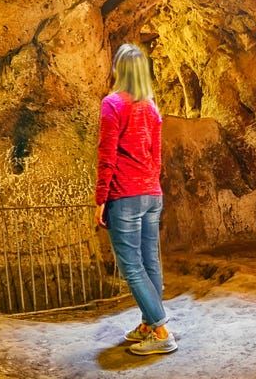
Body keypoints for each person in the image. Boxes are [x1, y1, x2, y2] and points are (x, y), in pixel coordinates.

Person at [95, 43, 175, 356]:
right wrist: (152, 186)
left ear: (119, 70)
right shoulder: (152, 108)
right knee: (150, 260)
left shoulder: (113, 104)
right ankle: (147, 323)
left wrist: (101, 197)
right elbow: (156, 157)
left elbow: (107, 155)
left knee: (132, 267)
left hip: (125, 194)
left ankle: (160, 329)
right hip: (151, 193)